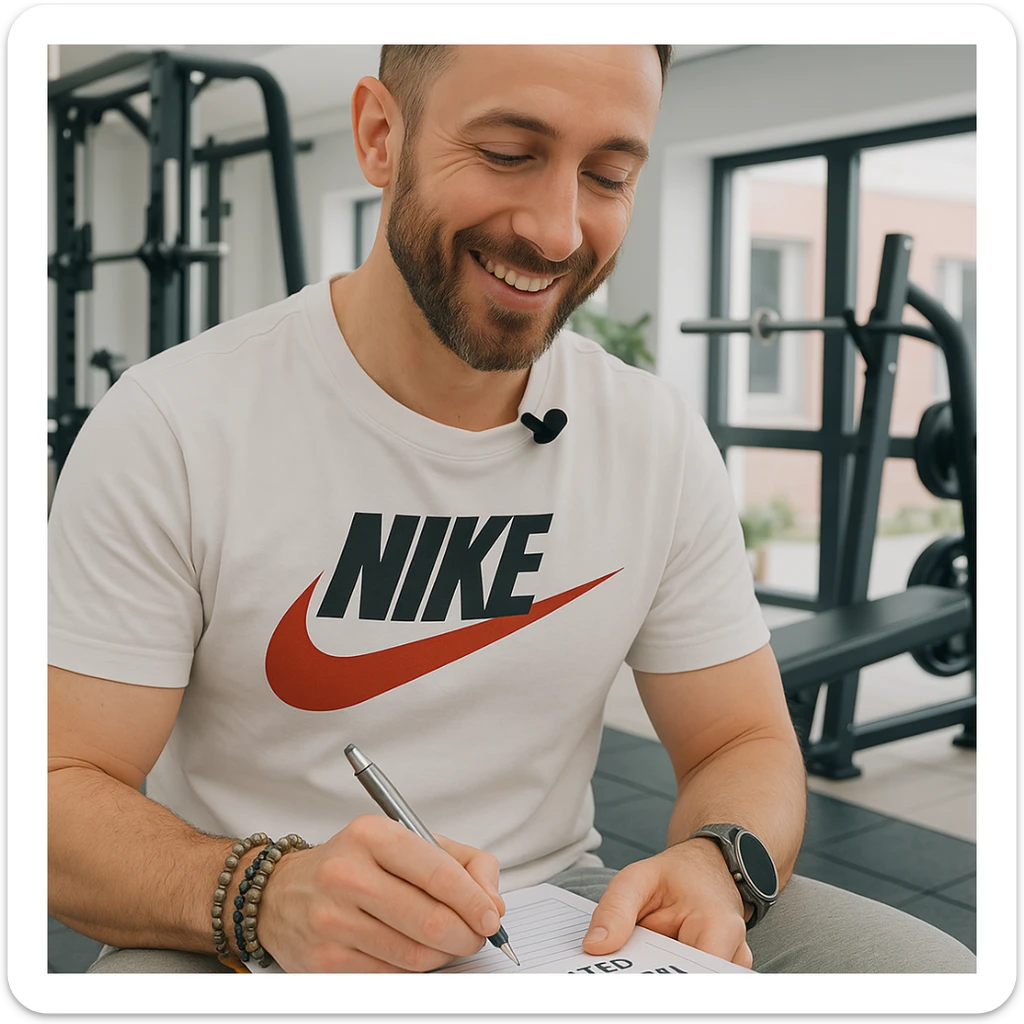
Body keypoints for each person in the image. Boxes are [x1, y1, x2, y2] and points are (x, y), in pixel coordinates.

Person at [47, 44, 975, 975]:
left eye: (607, 174)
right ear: (380, 135)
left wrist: (717, 859)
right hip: (247, 927)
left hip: (558, 913)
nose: (558, 230)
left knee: (932, 975)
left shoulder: (650, 435)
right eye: (506, 154)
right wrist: (266, 892)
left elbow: (744, 737)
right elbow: (50, 792)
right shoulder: (173, 421)